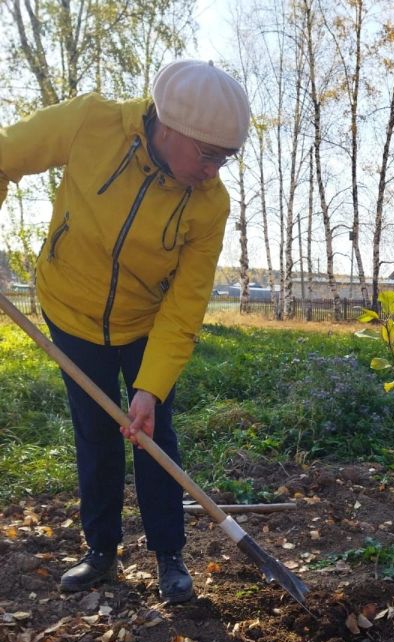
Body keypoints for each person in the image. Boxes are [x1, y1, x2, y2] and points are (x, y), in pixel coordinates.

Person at [0, 60, 250, 603]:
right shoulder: (91, 122)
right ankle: (100, 552)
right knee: (94, 432)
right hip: (70, 310)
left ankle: (169, 554)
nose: (213, 170)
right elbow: (4, 154)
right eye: (207, 155)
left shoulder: (210, 204)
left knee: (154, 430)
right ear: (167, 125)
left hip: (146, 324)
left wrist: (150, 387)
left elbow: (185, 306)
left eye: (225, 159)